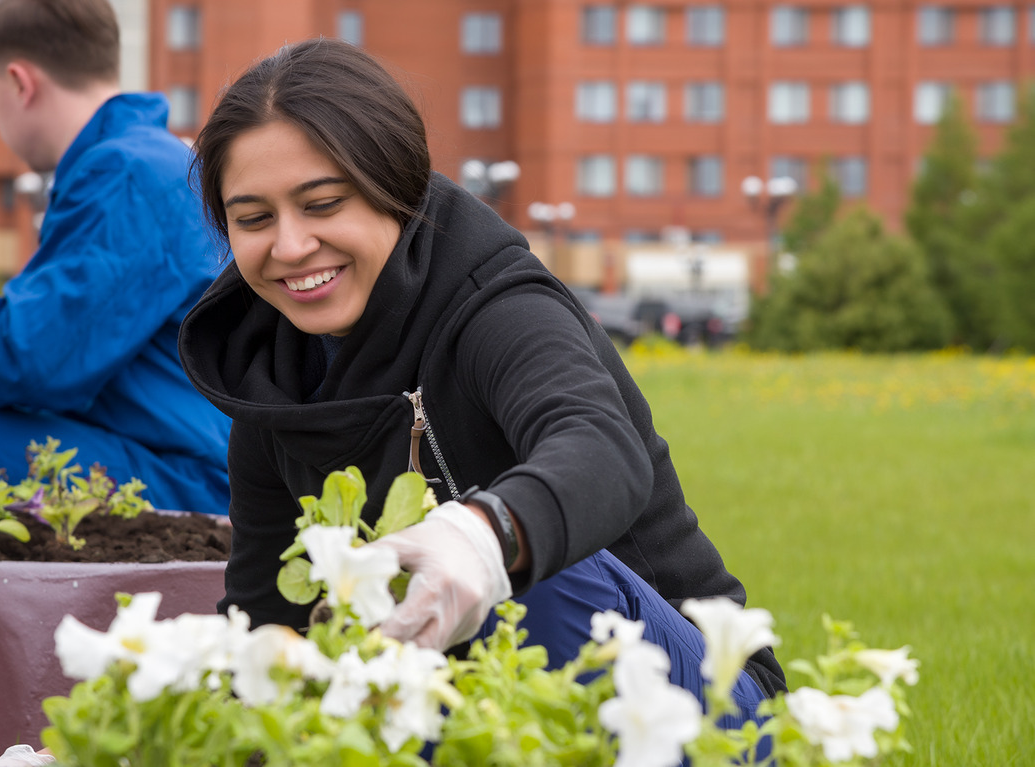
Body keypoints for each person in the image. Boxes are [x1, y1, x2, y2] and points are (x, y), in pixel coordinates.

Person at [179, 36, 786, 703]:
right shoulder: (269, 387)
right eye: (254, 218)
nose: (291, 245)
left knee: (535, 561)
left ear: (395, 187)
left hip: (700, 693)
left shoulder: (497, 305)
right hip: (461, 703)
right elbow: (266, 620)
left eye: (323, 204)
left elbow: (601, 446)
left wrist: (482, 533)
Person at [0, 0, 230, 515]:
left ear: (20, 83)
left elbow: (32, 357)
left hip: (185, 479)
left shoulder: (128, 175)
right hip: (177, 458)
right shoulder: (153, 162)